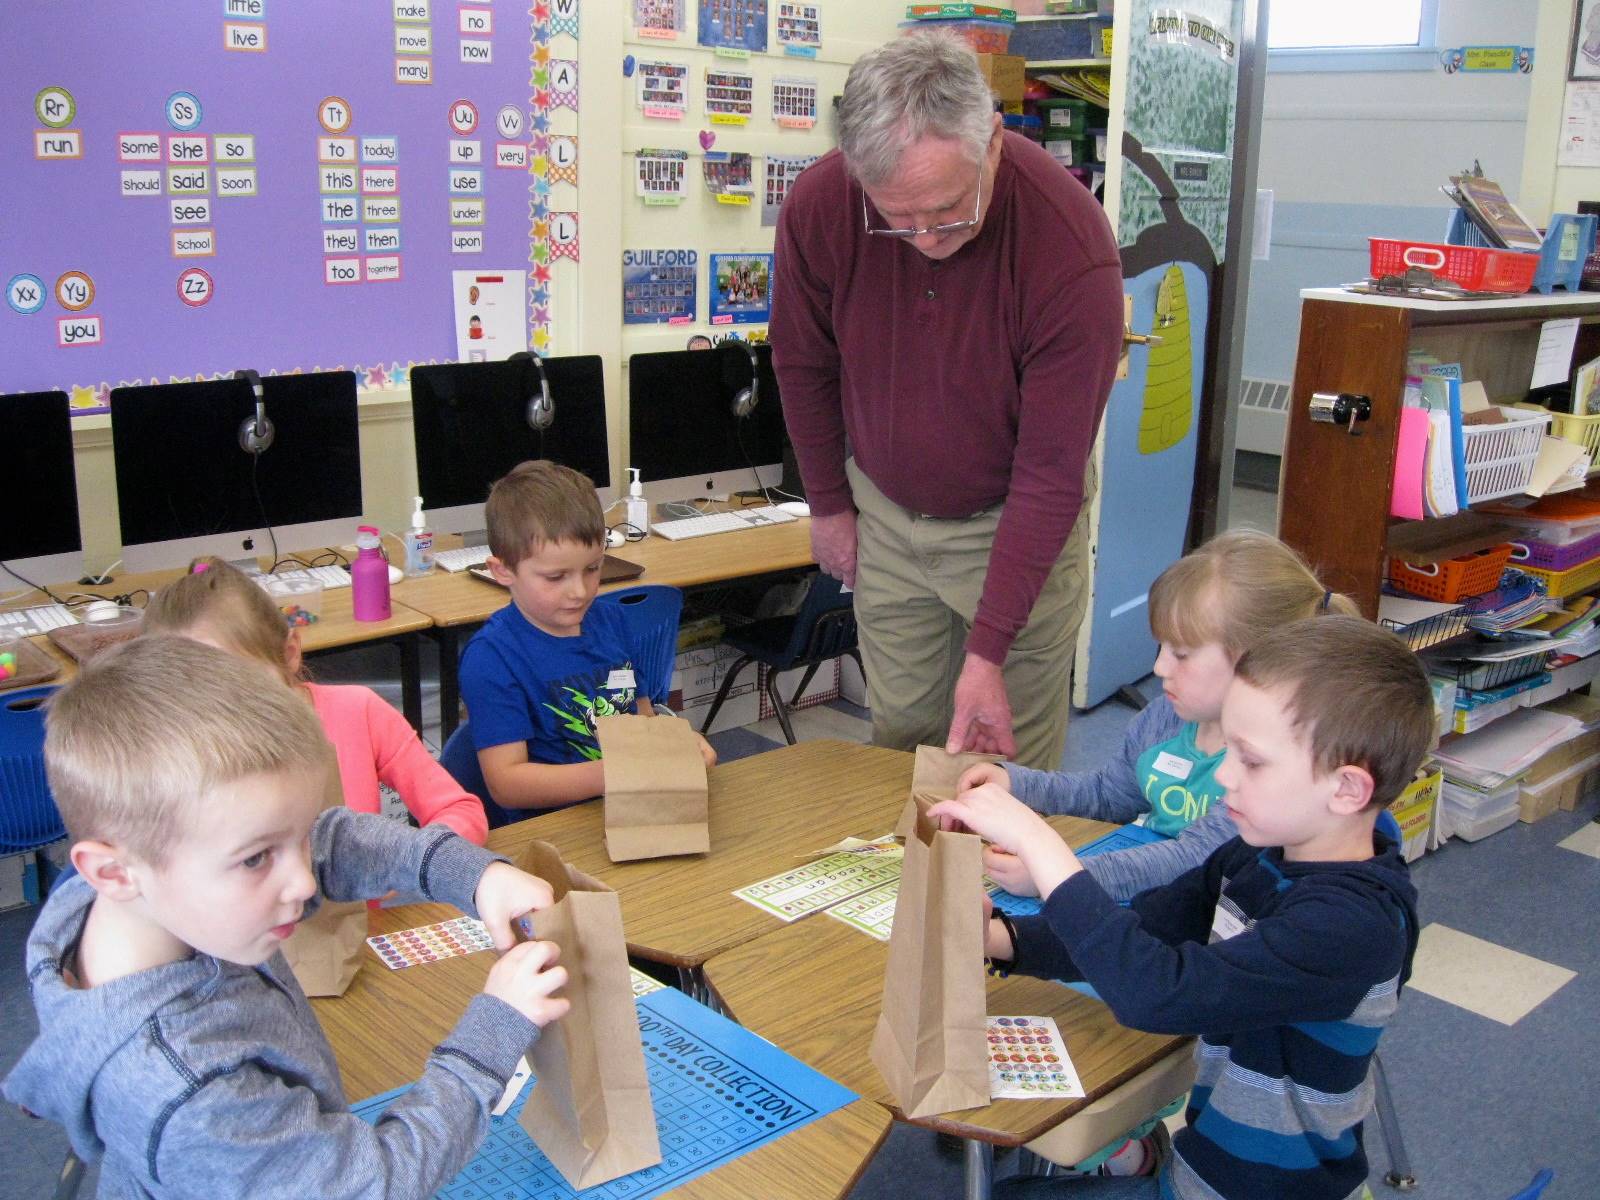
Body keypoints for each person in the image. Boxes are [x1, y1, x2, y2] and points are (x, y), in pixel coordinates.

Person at [3, 636, 569, 1197]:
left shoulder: (122, 900)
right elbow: (373, 1185)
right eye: (255, 858)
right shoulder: (194, 1094)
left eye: (292, 838)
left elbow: (331, 842)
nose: (302, 879)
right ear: (113, 871)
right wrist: (495, 1030)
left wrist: (474, 875)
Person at [931, 616, 1432, 1200]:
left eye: (1252, 760)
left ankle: (1142, 1164)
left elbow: (1157, 992)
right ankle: (1144, 1162)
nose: (1222, 776)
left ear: (1346, 789)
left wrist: (1043, 847)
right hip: (1209, 1159)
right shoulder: (1258, 853)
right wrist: (1009, 941)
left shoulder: (1352, 926)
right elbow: (1147, 928)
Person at [771, 30, 1124, 770]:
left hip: (1016, 520)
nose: (925, 235)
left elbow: (1050, 473)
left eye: (948, 208)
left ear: (994, 139)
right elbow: (802, 361)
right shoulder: (821, 204)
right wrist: (830, 504)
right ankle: (912, 888)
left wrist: (989, 651)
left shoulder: (1071, 250)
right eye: (896, 216)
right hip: (888, 516)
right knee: (901, 743)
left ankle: (1000, 891)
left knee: (1004, 766)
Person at [971, 530, 1360, 903]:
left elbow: (1193, 861)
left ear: (1254, 663)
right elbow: (1109, 795)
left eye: (1182, 655)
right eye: (1162, 649)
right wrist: (1015, 782)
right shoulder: (1164, 719)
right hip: (1145, 894)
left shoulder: (1268, 766)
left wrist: (1055, 875)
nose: (1159, 668)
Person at [142, 556, 488, 845]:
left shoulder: (355, 713)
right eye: (189, 699)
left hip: (352, 924)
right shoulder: (163, 756)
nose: (220, 710)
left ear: (289, 653)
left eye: (241, 686)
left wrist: (405, 866)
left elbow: (460, 813)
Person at [459, 460, 716, 820]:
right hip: (553, 829)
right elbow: (507, 783)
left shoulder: (611, 621)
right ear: (502, 571)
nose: (579, 592)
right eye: (555, 577)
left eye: (593, 568)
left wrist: (675, 744)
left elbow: (641, 712)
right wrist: (620, 774)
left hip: (626, 810)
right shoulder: (492, 658)